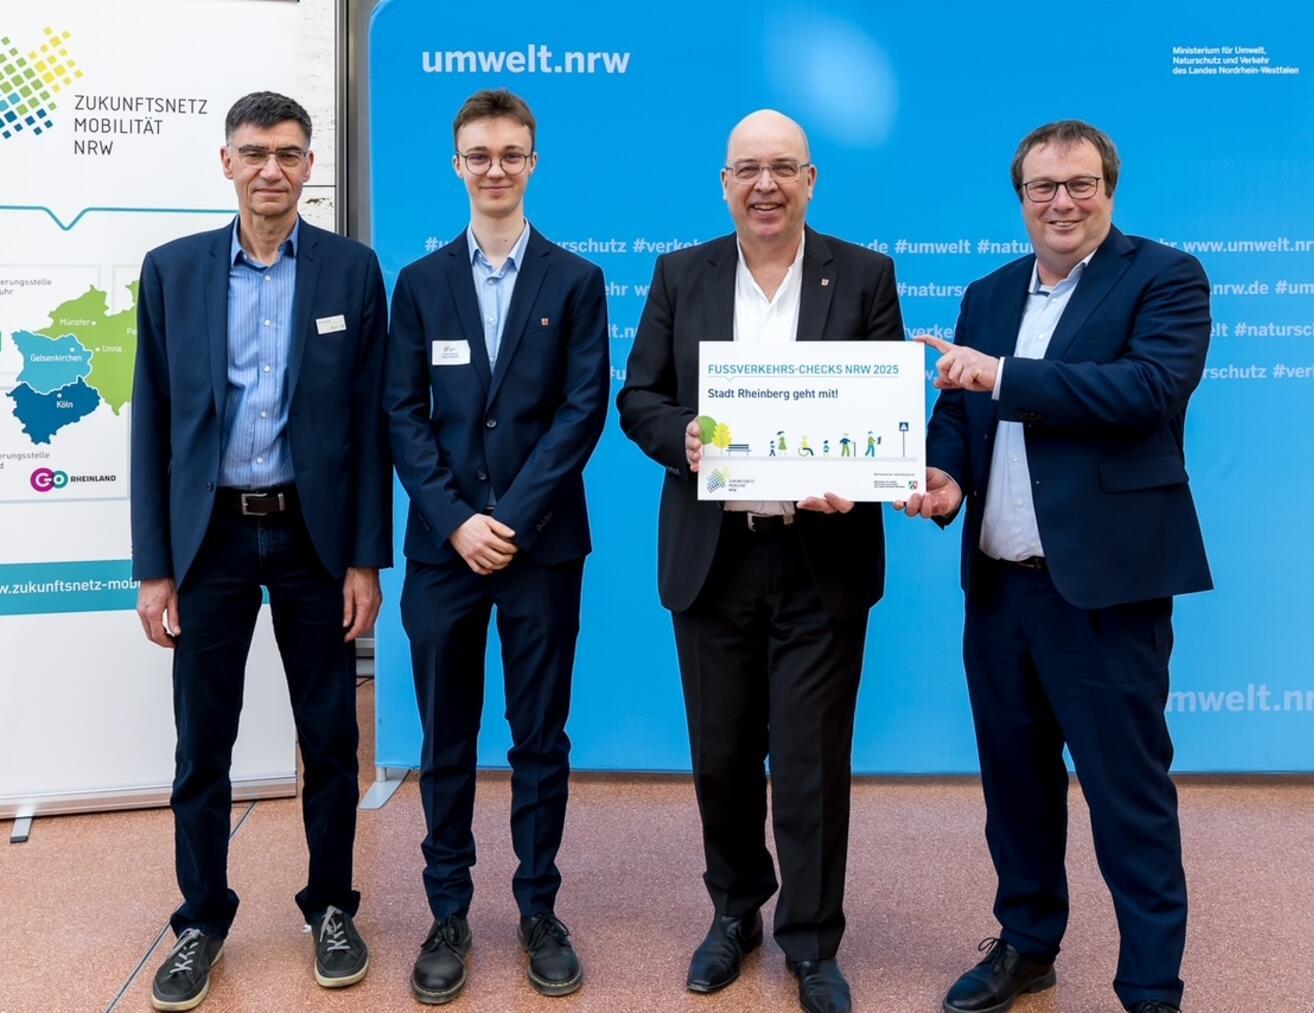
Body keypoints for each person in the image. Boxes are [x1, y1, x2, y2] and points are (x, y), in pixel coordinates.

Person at [899, 120, 1212, 1013]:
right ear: (1022, 198)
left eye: (1080, 184)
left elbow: (1145, 391)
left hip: (1107, 594)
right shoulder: (988, 292)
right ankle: (1029, 943)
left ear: (1110, 190)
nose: (1062, 202)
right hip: (1001, 591)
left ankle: (1151, 984)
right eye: (1044, 187)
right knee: (1017, 790)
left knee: (1130, 800)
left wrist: (1000, 377)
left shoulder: (1165, 278)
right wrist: (943, 475)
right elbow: (958, 417)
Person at [617, 109, 902, 1013]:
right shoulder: (681, 273)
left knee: (814, 759)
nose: (765, 184)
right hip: (716, 556)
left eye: (783, 167)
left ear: (811, 179)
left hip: (822, 556)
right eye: (749, 169)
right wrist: (685, 437)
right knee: (723, 753)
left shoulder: (863, 274)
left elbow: (886, 409)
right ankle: (735, 910)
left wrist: (857, 476)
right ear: (725, 181)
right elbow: (639, 398)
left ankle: (812, 941)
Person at [131, 91, 390, 1011]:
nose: (271, 168)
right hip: (211, 545)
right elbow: (153, 426)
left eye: (288, 152)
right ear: (227, 162)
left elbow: (367, 426)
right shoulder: (172, 271)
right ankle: (200, 916)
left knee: (330, 734)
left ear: (310, 165)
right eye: (254, 153)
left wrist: (366, 557)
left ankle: (331, 904)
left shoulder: (353, 272)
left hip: (314, 542)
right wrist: (153, 566)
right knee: (203, 741)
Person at [384, 88, 609, 1004]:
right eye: (479, 154)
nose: (495, 169)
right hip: (445, 552)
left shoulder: (575, 279)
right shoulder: (421, 282)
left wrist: (506, 518)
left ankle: (537, 908)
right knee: (446, 738)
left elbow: (581, 410)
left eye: (511, 153)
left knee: (539, 737)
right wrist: (456, 521)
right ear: (457, 165)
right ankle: (447, 912)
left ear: (533, 162)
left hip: (541, 549)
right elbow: (402, 414)